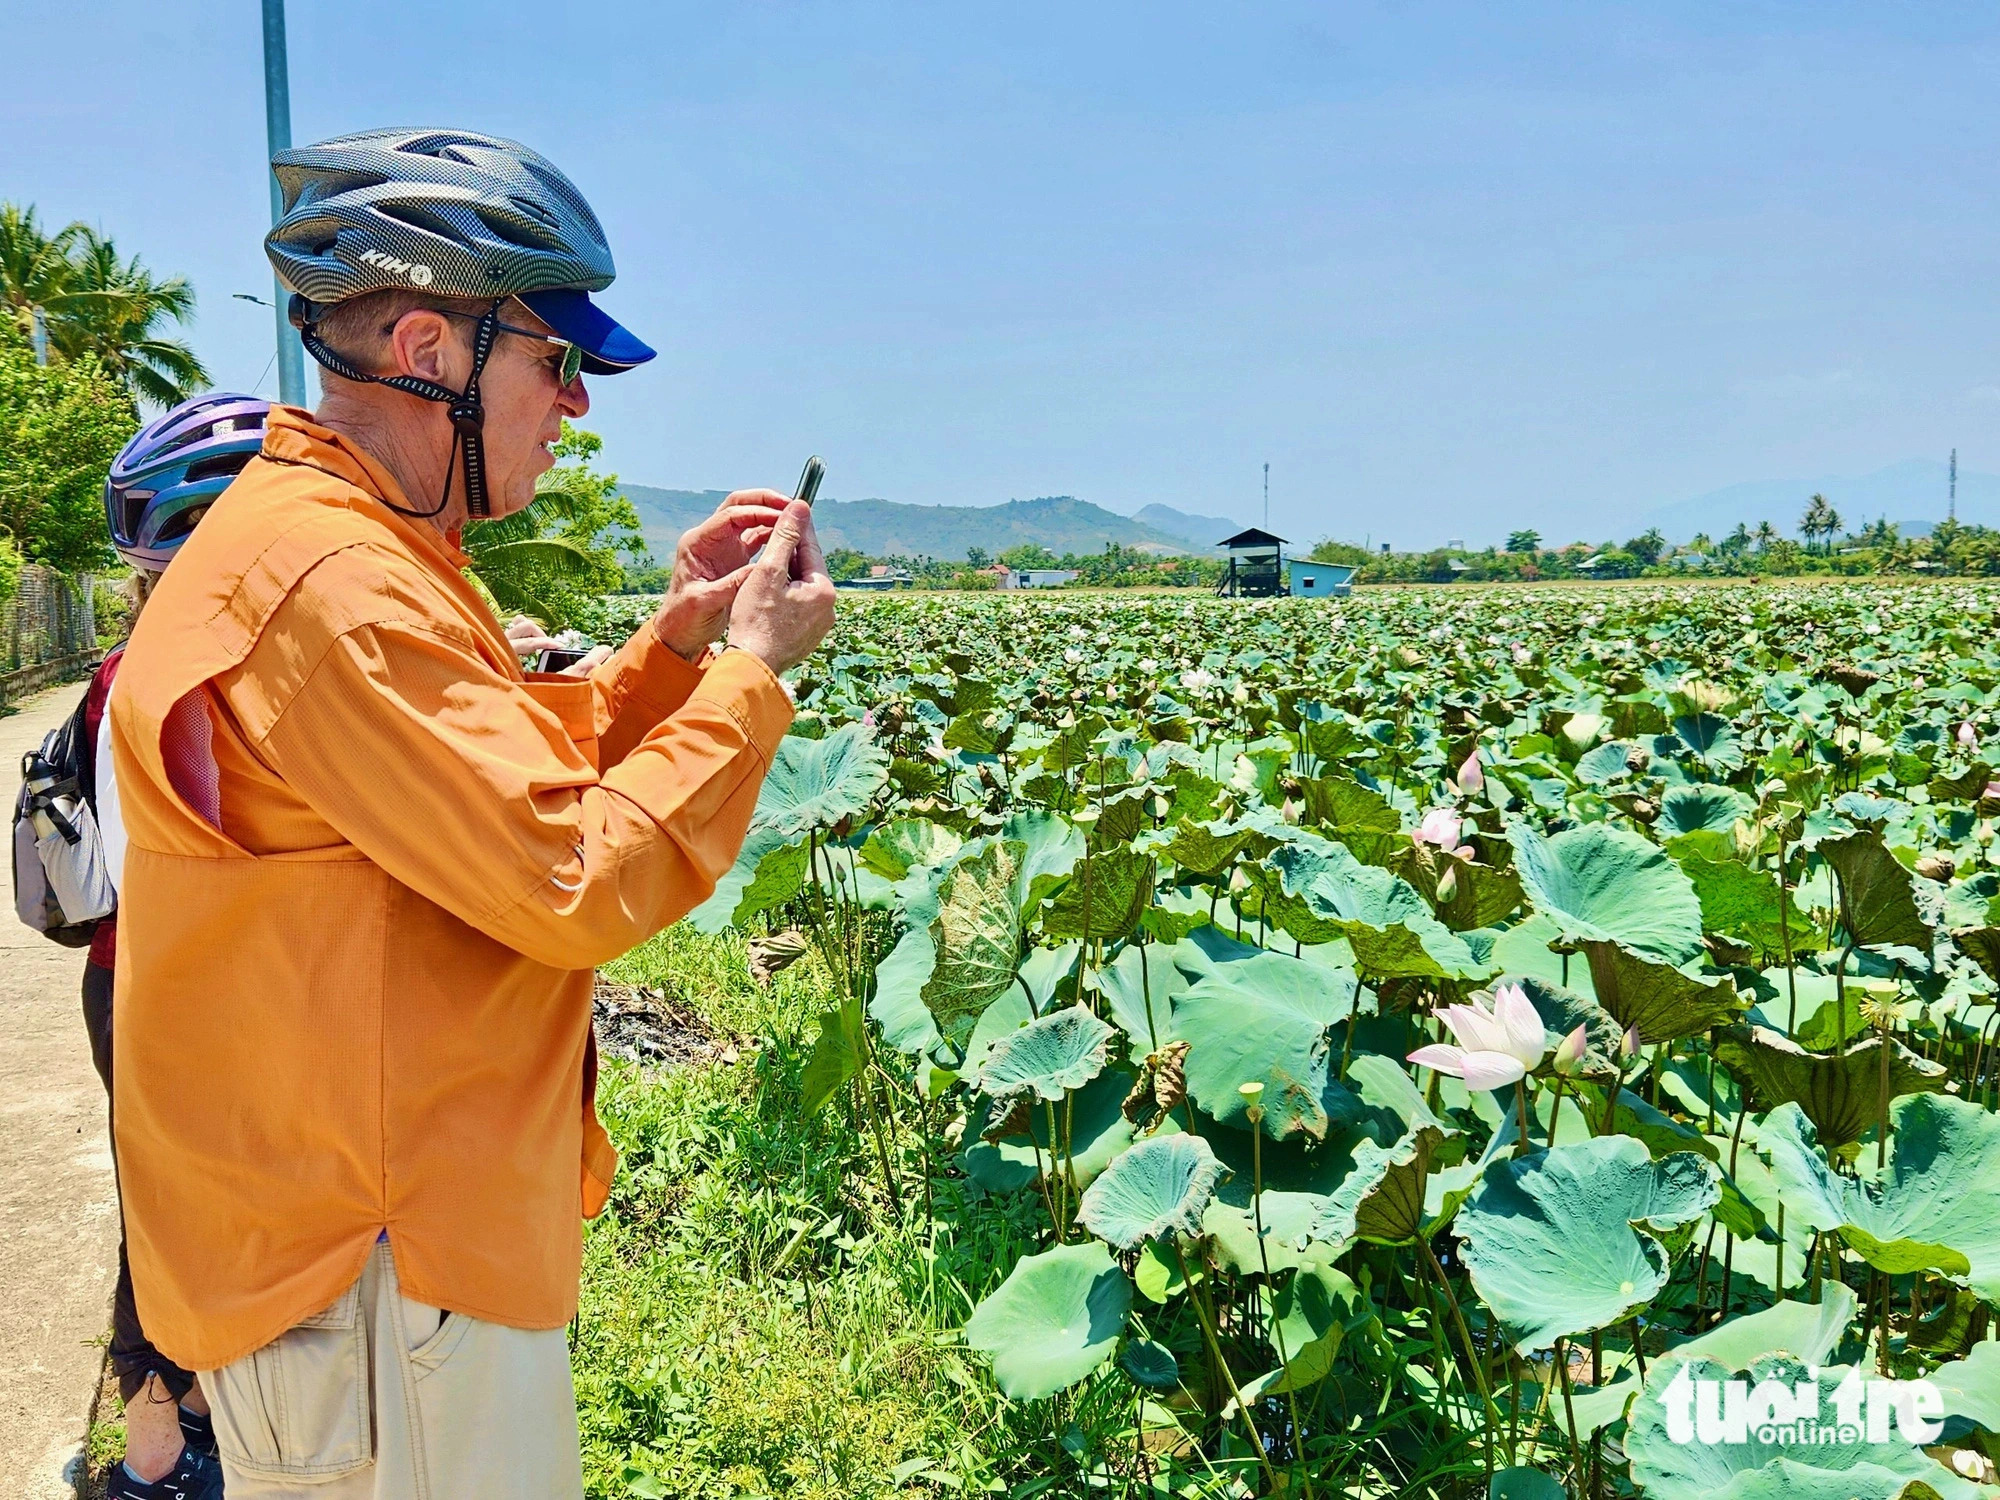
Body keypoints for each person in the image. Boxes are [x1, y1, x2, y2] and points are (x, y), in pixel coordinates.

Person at [106, 127, 835, 1498]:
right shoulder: (336, 584)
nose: (576, 406)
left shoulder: (342, 546)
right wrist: (749, 674)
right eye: (555, 360)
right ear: (433, 350)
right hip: (380, 1280)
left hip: (370, 1255)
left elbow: (481, 792)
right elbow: (569, 869)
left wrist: (672, 647)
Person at [87, 393, 276, 1498]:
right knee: (164, 1219)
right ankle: (153, 1463)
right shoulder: (158, 679)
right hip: (159, 986)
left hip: (176, 983)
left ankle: (187, 1427)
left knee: (203, 1210)